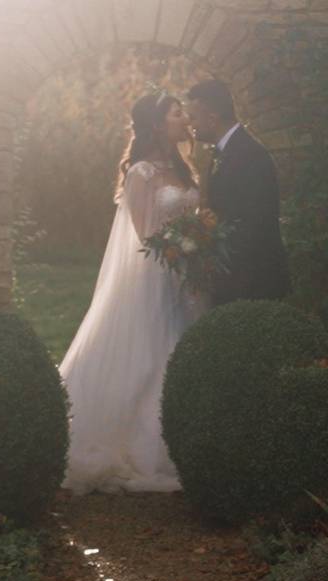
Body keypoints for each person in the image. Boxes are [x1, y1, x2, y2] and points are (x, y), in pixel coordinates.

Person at [59, 92, 207, 495]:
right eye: (177, 115)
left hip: (189, 275)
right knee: (149, 354)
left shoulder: (184, 168)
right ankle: (142, 447)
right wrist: (181, 251)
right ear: (158, 124)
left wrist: (200, 246)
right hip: (157, 276)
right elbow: (145, 235)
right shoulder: (140, 173)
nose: (186, 120)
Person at [185, 79, 291, 305]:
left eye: (193, 117)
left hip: (253, 281)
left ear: (212, 118)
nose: (189, 123)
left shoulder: (249, 154)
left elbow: (255, 221)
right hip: (237, 278)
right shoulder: (224, 152)